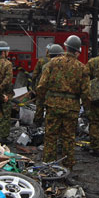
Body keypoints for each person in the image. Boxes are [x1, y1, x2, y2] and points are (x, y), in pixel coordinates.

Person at [37, 35, 90, 170]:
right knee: (68, 138)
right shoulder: (82, 68)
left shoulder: (52, 63)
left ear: (66, 47)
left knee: (50, 136)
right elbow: (85, 93)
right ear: (77, 51)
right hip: (71, 108)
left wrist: (43, 102)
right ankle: (67, 168)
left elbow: (42, 86)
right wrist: (88, 111)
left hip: (53, 105)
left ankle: (48, 167)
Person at [33, 44, 63, 126]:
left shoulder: (42, 61)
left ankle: (37, 123)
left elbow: (34, 74)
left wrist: (34, 87)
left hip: (42, 88)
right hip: (54, 92)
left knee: (39, 106)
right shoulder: (63, 65)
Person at [0, 41, 14, 142]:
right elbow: (8, 80)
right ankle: (4, 136)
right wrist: (1, 90)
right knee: (5, 116)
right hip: (5, 94)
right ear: (4, 52)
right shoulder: (7, 64)